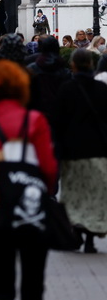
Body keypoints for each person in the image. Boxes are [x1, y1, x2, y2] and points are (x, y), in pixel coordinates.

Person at [0, 60, 57, 300]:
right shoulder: (35, 120)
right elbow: (48, 168)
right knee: (33, 285)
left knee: (1, 285)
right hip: (32, 209)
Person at [51, 49, 107, 253]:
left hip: (72, 150)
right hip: (98, 149)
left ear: (73, 65)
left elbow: (57, 122)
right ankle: (91, 238)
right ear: (91, 64)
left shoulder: (67, 89)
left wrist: (57, 148)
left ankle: (76, 231)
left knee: (74, 194)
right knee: (94, 194)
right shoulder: (102, 89)